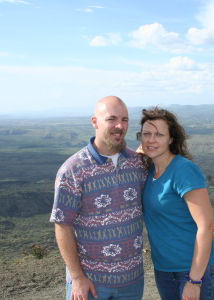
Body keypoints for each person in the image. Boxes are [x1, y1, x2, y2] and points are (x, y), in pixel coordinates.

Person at [50, 96, 147, 300]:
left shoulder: (138, 165)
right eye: (112, 119)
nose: (120, 126)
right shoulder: (73, 170)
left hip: (132, 281)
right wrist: (77, 277)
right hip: (90, 282)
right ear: (94, 122)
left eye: (125, 119)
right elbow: (62, 225)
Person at [137, 107, 214, 300]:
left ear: (171, 139)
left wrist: (194, 281)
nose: (151, 139)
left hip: (193, 270)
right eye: (146, 134)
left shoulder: (183, 170)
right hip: (164, 269)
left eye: (159, 134)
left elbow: (207, 225)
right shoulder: (150, 169)